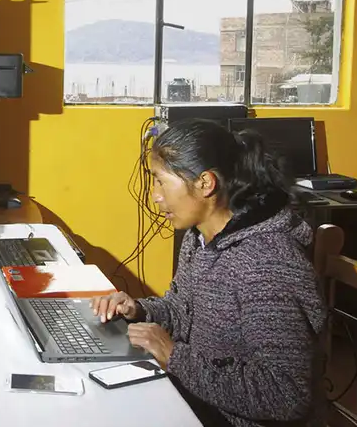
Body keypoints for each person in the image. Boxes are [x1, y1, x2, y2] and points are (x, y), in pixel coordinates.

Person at [91, 119, 326, 427]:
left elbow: (287, 395)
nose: (154, 195)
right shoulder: (201, 236)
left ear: (205, 183)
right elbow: (182, 309)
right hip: (198, 399)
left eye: (161, 181)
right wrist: (139, 309)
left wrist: (174, 355)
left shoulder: (266, 264)